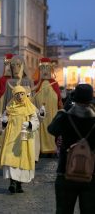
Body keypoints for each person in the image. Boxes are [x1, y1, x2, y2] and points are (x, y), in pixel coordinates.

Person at [48, 83, 95, 214]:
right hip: (91, 174)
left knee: (63, 210)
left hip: (66, 172)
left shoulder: (65, 117)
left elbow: (51, 129)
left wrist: (66, 106)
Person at [0, 85, 39, 194]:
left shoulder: (30, 107)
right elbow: (3, 120)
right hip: (11, 138)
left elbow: (36, 121)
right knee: (10, 160)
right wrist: (4, 121)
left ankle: (19, 184)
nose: (20, 97)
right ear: (14, 95)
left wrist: (30, 124)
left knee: (22, 160)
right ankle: (12, 183)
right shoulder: (10, 107)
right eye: (17, 94)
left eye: (22, 94)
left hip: (24, 139)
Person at [33, 58, 62, 156]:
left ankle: (51, 149)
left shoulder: (55, 84)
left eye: (47, 67)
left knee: (51, 128)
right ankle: (40, 149)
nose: (45, 70)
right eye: (43, 68)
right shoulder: (36, 84)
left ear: (50, 69)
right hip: (39, 115)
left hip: (52, 114)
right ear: (40, 69)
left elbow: (59, 100)